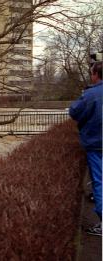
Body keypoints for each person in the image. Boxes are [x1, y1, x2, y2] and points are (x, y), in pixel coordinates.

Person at [69, 59, 102, 236]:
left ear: (96, 75)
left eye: (92, 73)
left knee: (99, 181)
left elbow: (74, 111)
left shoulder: (91, 94)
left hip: (97, 144)